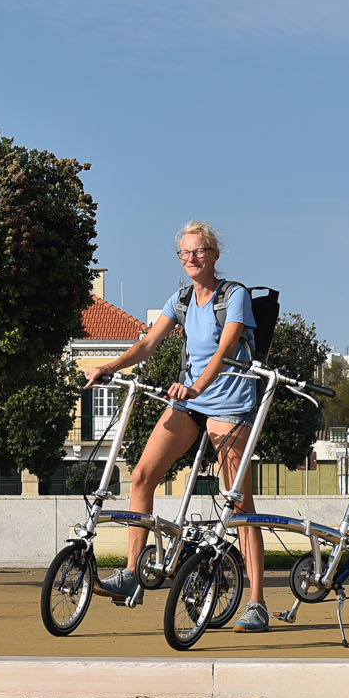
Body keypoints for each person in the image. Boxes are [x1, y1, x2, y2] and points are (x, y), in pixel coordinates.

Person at [84, 221, 272, 629]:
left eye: (199, 251)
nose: (191, 258)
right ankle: (133, 574)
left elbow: (226, 348)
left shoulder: (233, 296)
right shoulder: (182, 299)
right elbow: (148, 343)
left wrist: (196, 387)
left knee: (238, 503)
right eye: (185, 253)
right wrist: (109, 366)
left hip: (229, 403)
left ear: (214, 255)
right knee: (141, 476)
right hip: (192, 401)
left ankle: (256, 604)